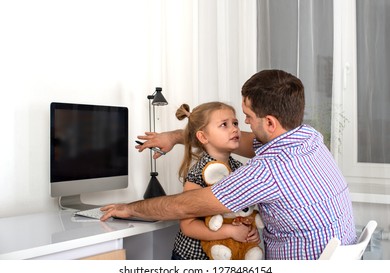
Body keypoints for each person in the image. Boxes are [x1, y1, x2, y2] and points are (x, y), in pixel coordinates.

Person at [101, 69, 357, 260]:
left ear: (269, 123)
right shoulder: (308, 138)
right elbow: (238, 141)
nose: (243, 125)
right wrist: (176, 137)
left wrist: (129, 208)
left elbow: (183, 206)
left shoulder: (268, 170)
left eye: (246, 117)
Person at [169, 102, 259, 260]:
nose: (234, 129)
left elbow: (241, 211)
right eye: (224, 124)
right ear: (203, 136)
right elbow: (188, 226)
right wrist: (230, 231)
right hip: (194, 259)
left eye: (235, 123)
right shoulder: (198, 174)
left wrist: (250, 230)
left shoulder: (238, 168)